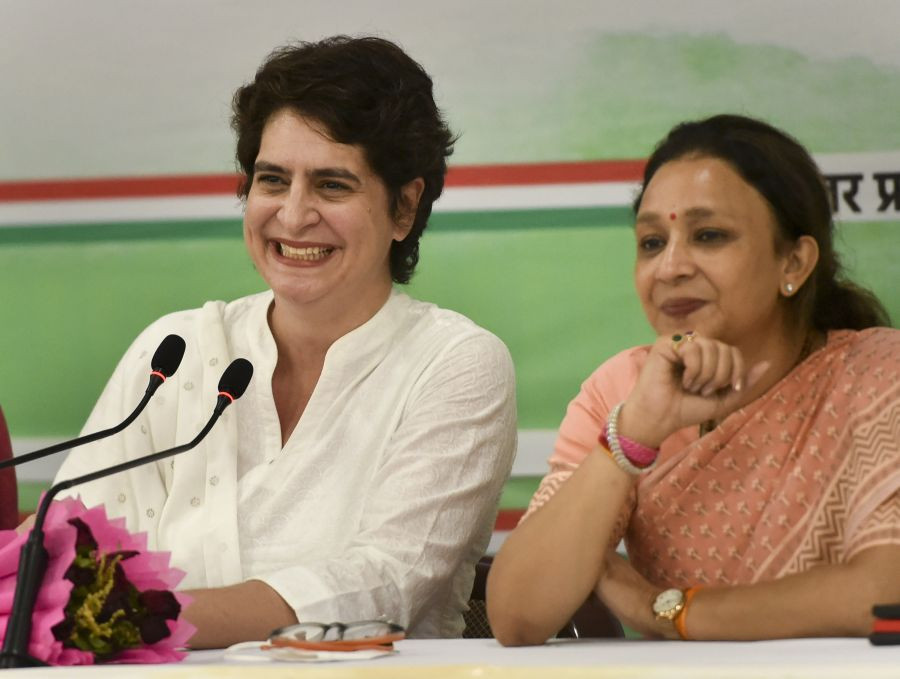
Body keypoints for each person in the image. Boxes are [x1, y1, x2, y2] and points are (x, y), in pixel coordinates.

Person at [52, 36, 517, 648]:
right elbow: (67, 554)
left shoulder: (454, 365)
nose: (293, 217)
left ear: (405, 207)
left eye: (331, 186)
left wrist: (141, 614)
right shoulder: (177, 350)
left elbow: (383, 584)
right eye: (273, 180)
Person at [487, 114, 900, 644]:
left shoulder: (875, 376)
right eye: (652, 242)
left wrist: (662, 608)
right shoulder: (621, 389)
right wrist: (632, 436)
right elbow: (518, 617)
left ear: (793, 262)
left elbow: (884, 594)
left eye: (708, 236)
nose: (670, 268)